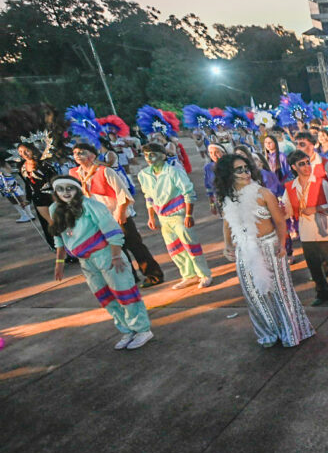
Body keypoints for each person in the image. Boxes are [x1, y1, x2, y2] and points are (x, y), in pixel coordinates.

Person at [216, 153, 314, 347]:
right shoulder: (228, 198)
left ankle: (291, 331)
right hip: (245, 249)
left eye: (246, 168)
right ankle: (268, 333)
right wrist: (227, 245)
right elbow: (227, 223)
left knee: (280, 291)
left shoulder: (263, 193)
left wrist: (282, 243)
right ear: (228, 173)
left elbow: (280, 221)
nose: (245, 173)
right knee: (253, 293)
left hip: (270, 247)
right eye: (239, 170)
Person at [49, 175, 153, 349]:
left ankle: (142, 330)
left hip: (106, 255)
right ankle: (127, 330)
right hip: (86, 262)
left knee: (125, 293)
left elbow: (113, 231)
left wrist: (116, 256)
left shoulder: (91, 205)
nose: (65, 193)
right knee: (106, 298)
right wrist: (59, 262)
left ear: (77, 190)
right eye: (61, 189)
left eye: (70, 188)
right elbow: (59, 237)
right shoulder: (55, 209)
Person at [69, 143, 164, 288]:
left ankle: (153, 275)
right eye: (75, 152)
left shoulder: (104, 171)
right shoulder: (74, 174)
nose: (77, 155)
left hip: (117, 214)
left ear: (92, 156)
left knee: (135, 245)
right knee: (117, 250)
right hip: (99, 219)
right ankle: (130, 279)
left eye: (81, 152)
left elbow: (122, 193)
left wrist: (120, 213)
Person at [137, 142, 213, 289]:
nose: (149, 158)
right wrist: (151, 217)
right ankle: (188, 275)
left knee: (191, 245)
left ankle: (204, 274)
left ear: (163, 155)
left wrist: (188, 215)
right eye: (146, 155)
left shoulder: (173, 171)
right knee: (174, 248)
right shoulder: (144, 174)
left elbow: (188, 192)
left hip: (178, 213)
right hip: (162, 217)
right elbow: (148, 197)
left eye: (152, 154)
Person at [282, 150, 328, 307]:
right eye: (301, 164)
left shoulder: (321, 182)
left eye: (307, 162)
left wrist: (317, 208)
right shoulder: (291, 187)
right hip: (306, 232)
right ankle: (322, 292)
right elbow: (288, 210)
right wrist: (280, 210)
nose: (306, 167)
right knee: (314, 266)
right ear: (293, 167)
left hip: (325, 229)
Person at [18, 141, 60, 250]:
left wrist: (59, 195)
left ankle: (71, 246)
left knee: (59, 222)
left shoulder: (43, 164)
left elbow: (55, 179)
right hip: (38, 198)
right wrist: (27, 200)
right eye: (21, 152)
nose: (24, 154)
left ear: (32, 150)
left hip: (52, 196)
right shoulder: (22, 167)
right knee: (49, 223)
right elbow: (28, 185)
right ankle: (57, 247)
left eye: (26, 150)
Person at [203, 144, 228, 215]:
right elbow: (208, 187)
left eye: (216, 152)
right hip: (219, 200)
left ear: (224, 152)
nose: (213, 155)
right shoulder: (208, 168)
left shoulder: (232, 165)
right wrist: (212, 204)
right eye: (210, 153)